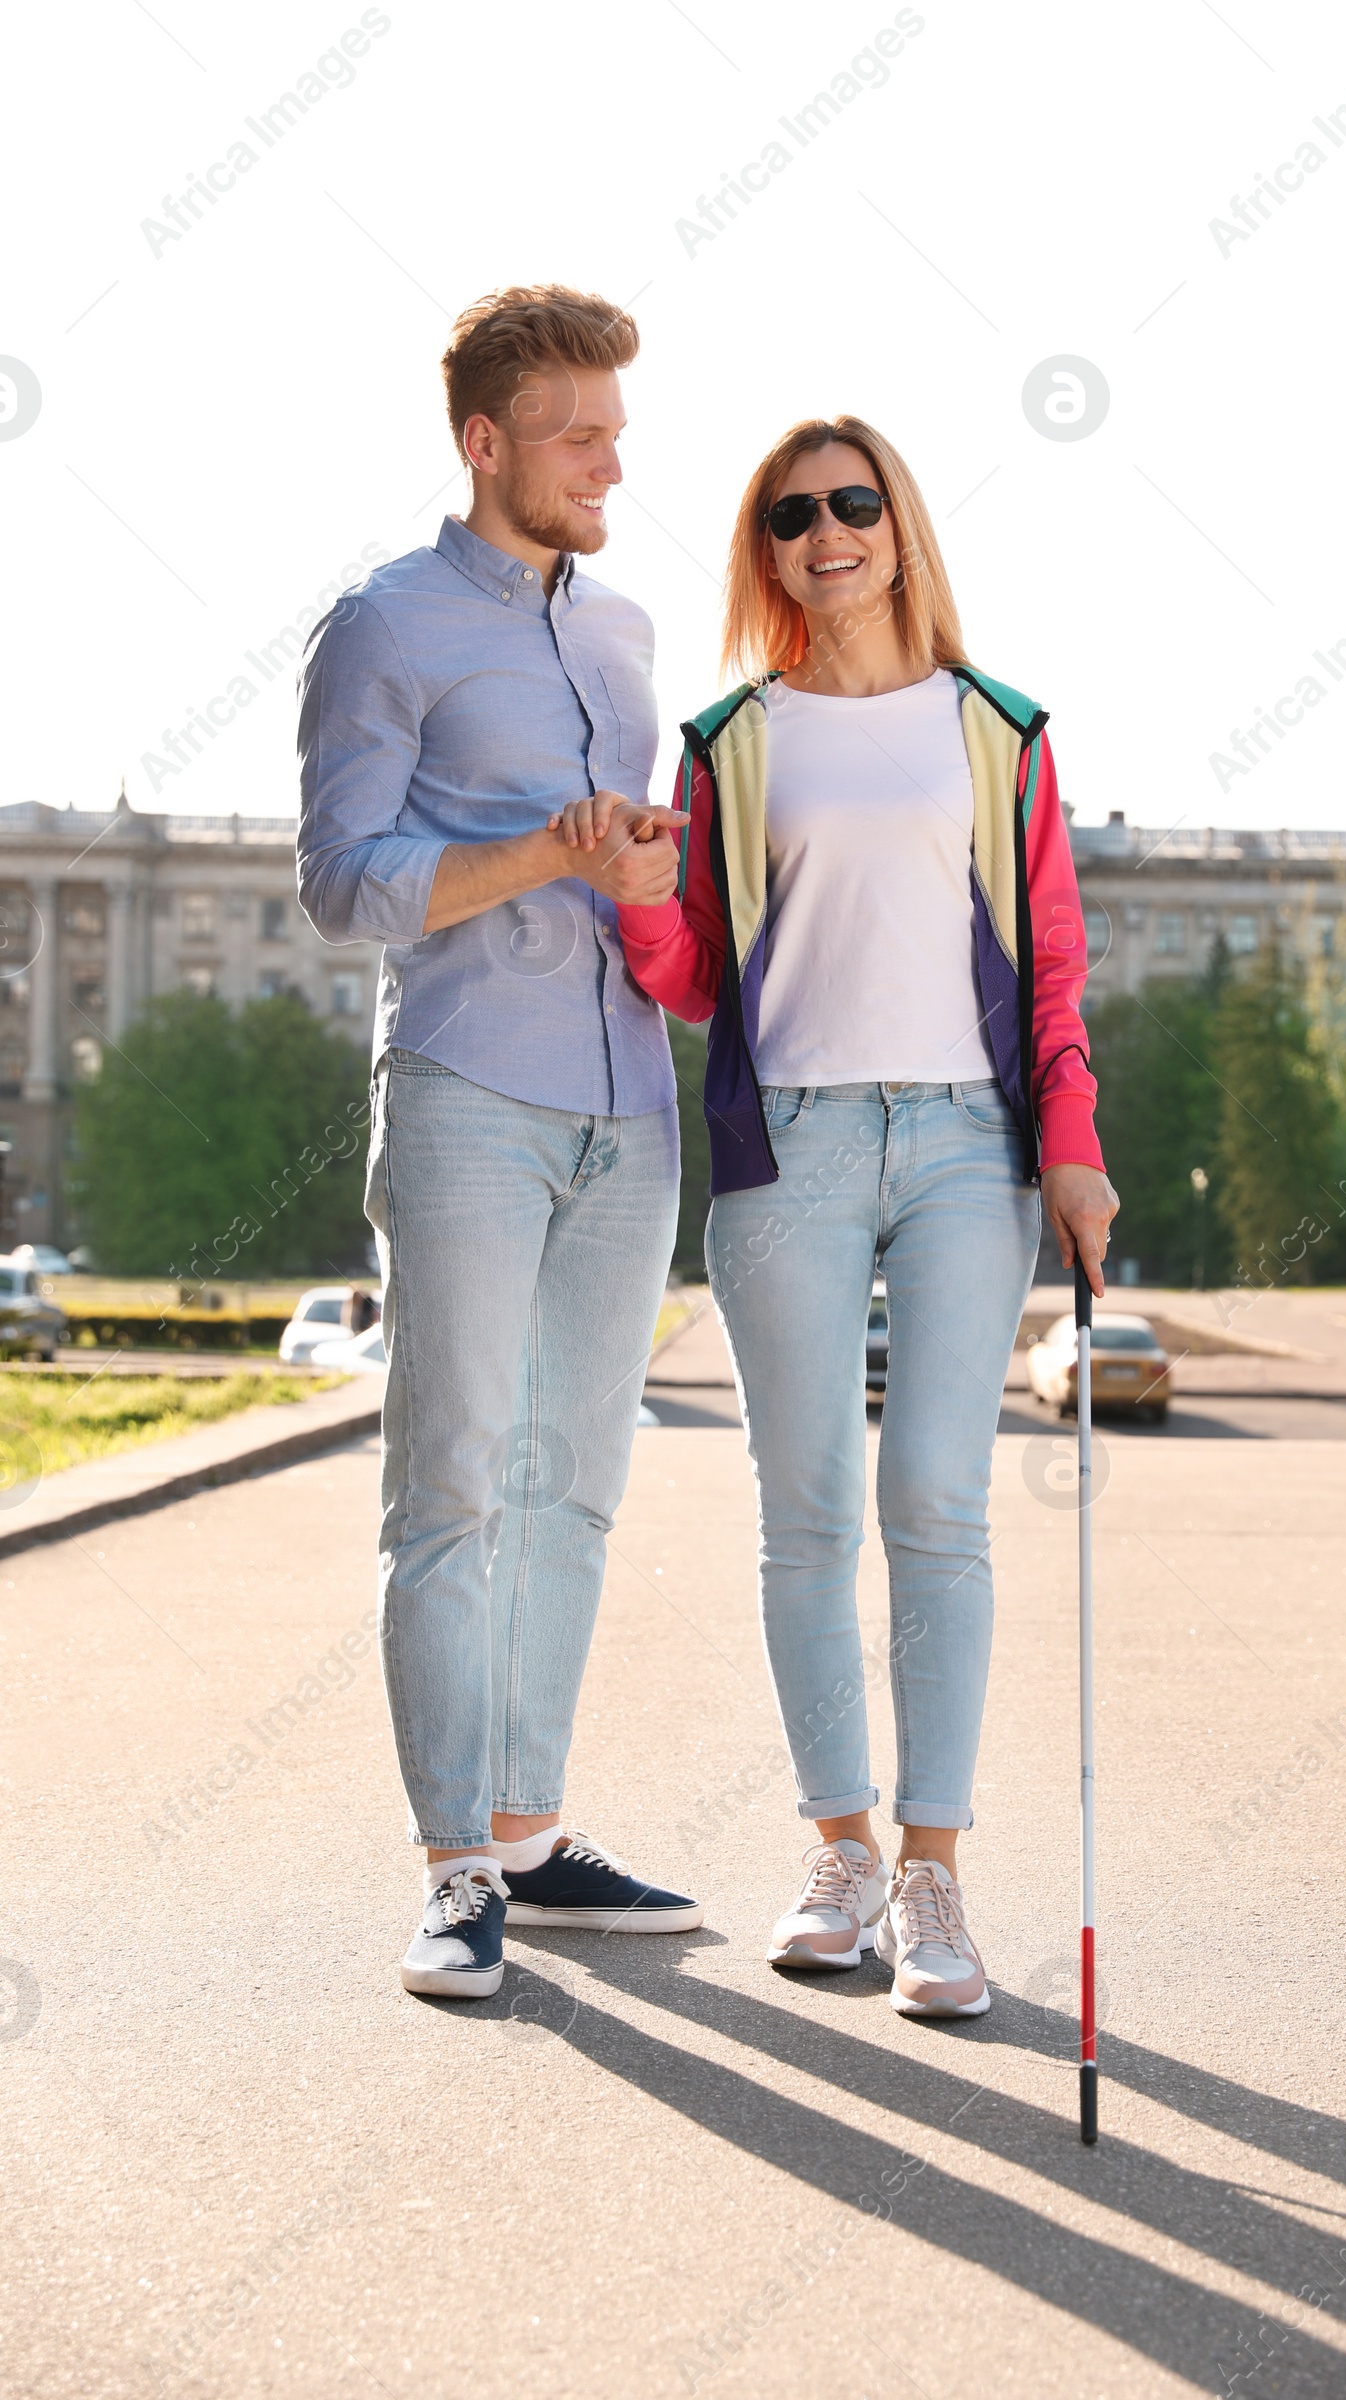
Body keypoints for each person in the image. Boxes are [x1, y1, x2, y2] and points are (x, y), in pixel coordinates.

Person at [550, 415, 1117, 2019]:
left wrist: (1070, 1142)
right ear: (768, 551)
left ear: (899, 524)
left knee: (936, 1500)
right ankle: (842, 1854)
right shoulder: (731, 738)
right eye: (791, 515)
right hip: (786, 1148)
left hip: (963, 1149)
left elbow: (1054, 963)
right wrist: (641, 891)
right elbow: (693, 980)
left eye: (854, 502)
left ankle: (936, 1876)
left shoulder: (997, 729)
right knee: (804, 1511)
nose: (826, 532)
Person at [297, 285, 701, 2002]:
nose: (615, 458)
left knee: (575, 1491)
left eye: (617, 427)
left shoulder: (621, 636)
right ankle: (454, 1865)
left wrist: (652, 870)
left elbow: (640, 881)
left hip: (631, 1104)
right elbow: (340, 887)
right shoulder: (381, 626)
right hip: (469, 1088)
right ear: (486, 445)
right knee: (453, 1487)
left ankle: (533, 1832)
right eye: (580, 433)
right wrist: (545, 853)